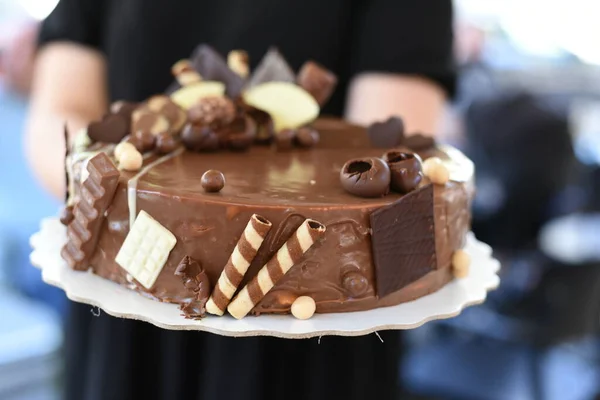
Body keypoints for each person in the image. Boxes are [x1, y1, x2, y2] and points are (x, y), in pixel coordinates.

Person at [26, 1, 455, 399]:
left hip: (325, 334)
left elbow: (388, 171)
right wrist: (114, 200)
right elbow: (62, 108)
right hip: (125, 298)